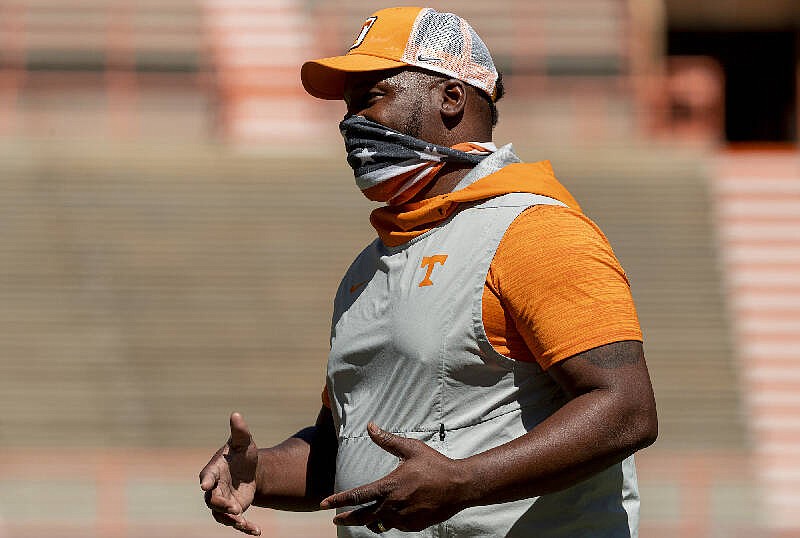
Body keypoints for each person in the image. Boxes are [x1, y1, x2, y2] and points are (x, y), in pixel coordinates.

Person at [199, 6, 657, 537]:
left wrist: (466, 482)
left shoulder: (535, 230)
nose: (351, 124)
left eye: (372, 96)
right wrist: (261, 471)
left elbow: (626, 409)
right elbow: (345, 449)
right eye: (346, 108)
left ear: (451, 96)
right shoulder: (367, 268)